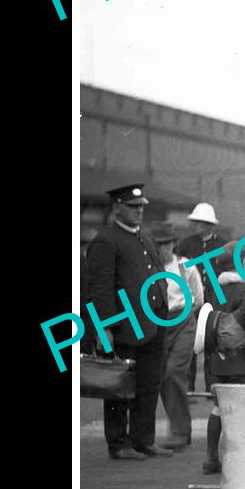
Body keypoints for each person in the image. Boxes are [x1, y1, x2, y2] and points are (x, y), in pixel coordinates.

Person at [84, 183, 172, 460]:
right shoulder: (105, 240)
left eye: (142, 207)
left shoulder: (145, 237)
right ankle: (119, 443)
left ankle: (143, 440)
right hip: (123, 326)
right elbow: (100, 288)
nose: (139, 211)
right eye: (133, 207)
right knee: (118, 386)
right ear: (117, 207)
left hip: (153, 323)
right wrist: (105, 328)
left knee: (149, 385)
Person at [193, 303, 245, 473]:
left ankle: (211, 457)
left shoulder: (217, 289)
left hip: (219, 361)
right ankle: (240, 461)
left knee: (219, 408)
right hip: (242, 361)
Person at [152, 222, 204, 451]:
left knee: (174, 373)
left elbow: (198, 299)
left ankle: (181, 432)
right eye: (159, 244)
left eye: (167, 244)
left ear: (173, 244)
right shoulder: (151, 269)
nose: (163, 249)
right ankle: (179, 430)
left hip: (184, 323)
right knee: (163, 376)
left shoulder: (186, 268)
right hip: (160, 325)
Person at [177, 202, 227, 307]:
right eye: (195, 222)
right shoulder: (185, 244)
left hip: (216, 300)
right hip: (192, 299)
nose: (196, 225)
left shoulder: (222, 245)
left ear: (209, 224)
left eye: (200, 222)